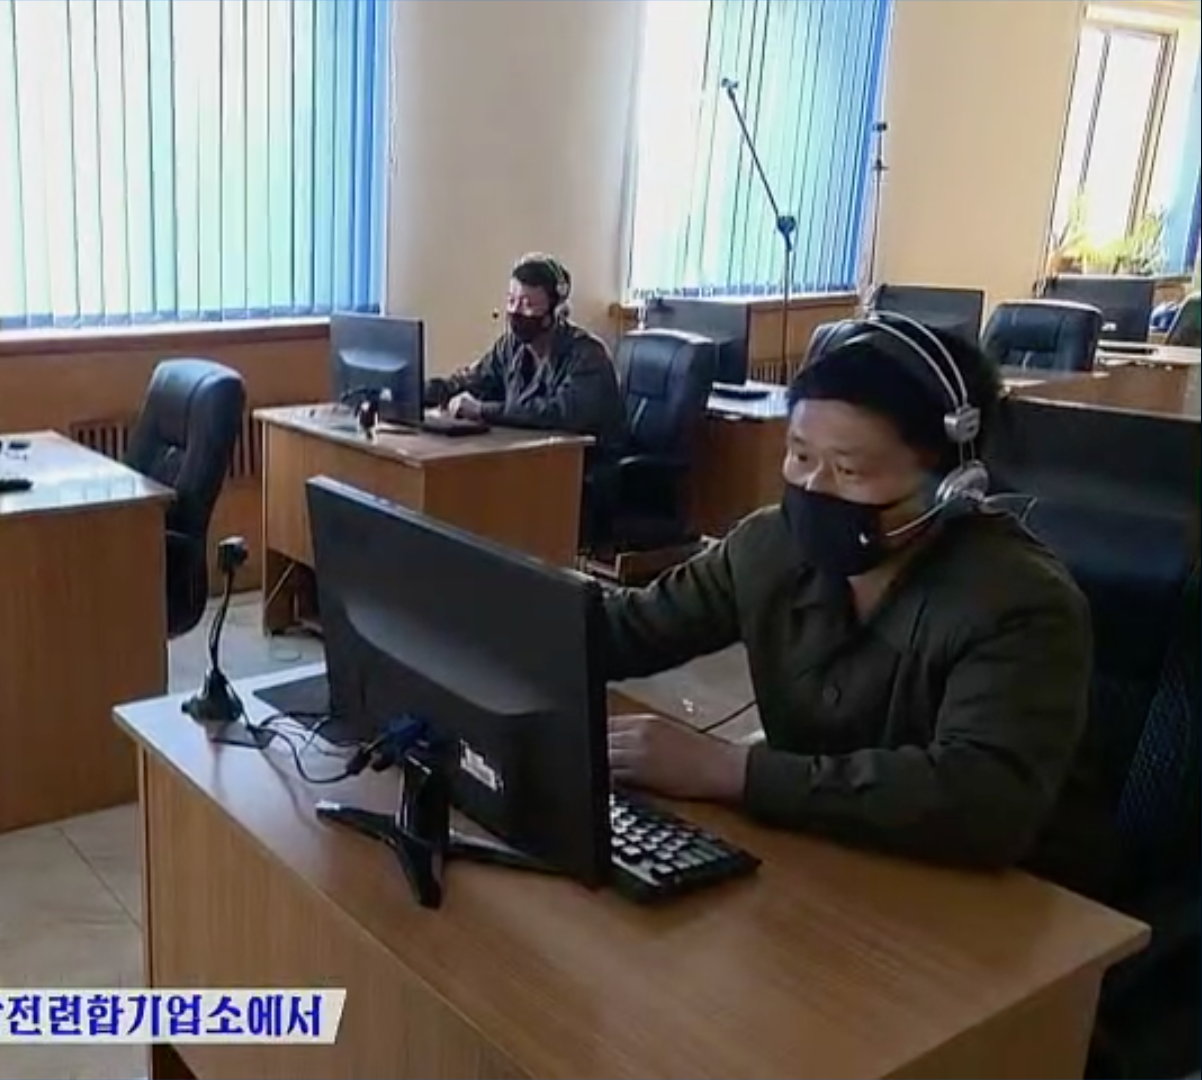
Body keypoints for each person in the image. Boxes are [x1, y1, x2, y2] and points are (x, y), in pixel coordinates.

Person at [598, 313, 1111, 897]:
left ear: (951, 484)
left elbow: (981, 797)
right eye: (799, 456)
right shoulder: (768, 545)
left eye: (848, 470)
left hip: (991, 900)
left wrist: (729, 770)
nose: (813, 487)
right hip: (820, 864)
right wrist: (519, 616)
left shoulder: (1020, 603)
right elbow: (630, 629)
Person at [425, 253, 626, 448]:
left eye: (527, 304)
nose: (515, 311)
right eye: (511, 301)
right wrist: (424, 392)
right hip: (532, 457)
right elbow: (473, 380)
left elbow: (557, 414)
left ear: (555, 311)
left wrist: (482, 410)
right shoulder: (510, 347)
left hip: (583, 463)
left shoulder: (588, 355)